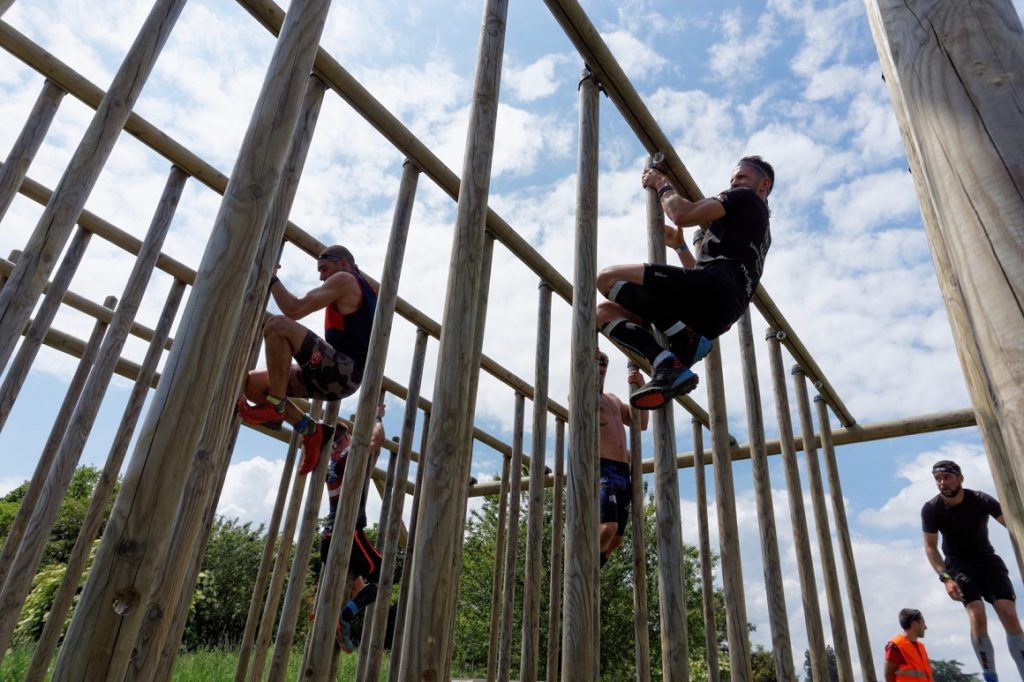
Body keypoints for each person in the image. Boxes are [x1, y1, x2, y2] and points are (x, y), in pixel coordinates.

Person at [596, 156, 774, 410]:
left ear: (763, 184)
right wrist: (680, 247)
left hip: (713, 290)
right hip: (717, 313)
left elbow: (681, 213)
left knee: (607, 277)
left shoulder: (745, 197)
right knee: (603, 312)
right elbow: (697, 278)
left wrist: (661, 182)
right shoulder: (758, 230)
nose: (735, 183)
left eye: (742, 177)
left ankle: (682, 340)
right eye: (733, 179)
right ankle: (668, 362)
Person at [237, 245, 377, 475]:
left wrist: (272, 279)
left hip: (344, 371)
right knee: (252, 384)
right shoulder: (368, 290)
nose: (321, 277)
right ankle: (310, 429)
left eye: (324, 269)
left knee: (278, 325)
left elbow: (294, 309)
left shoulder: (345, 279)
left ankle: (275, 405)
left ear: (343, 264)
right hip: (333, 375)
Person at [922, 459, 1024, 681]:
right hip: (958, 565)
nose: (942, 483)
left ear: (960, 478)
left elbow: (1012, 522)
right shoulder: (932, 509)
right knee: (977, 614)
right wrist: (946, 578)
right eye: (938, 479)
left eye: (947, 477)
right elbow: (930, 548)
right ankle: (991, 677)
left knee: (1009, 614)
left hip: (988, 560)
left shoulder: (980, 499)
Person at [318, 402, 387, 653]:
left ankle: (334, 616)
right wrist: (377, 416)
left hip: (328, 539)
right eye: (348, 438)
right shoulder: (346, 458)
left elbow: (372, 452)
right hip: (347, 534)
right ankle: (343, 620)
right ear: (344, 441)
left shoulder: (331, 464)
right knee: (383, 578)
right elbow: (376, 442)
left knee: (358, 588)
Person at [597, 349, 647, 567]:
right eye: (596, 362)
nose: (600, 367)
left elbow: (640, 423)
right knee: (608, 528)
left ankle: (595, 567)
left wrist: (642, 388)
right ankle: (581, 570)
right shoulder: (583, 396)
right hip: (602, 467)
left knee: (616, 539)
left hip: (622, 472)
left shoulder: (613, 400)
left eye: (603, 363)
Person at [884, 608, 933, 681]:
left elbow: (928, 676)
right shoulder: (896, 646)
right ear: (914, 624)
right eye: (923, 623)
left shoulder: (921, 647)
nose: (926, 627)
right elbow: (888, 674)